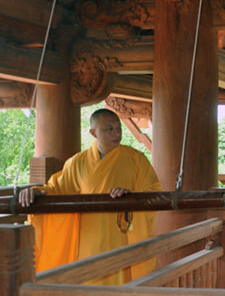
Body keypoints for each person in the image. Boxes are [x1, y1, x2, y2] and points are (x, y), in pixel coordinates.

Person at [19, 108, 162, 284]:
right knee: (88, 284)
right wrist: (38, 191)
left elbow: (153, 191)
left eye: (118, 128)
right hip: (88, 237)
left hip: (119, 236)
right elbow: (57, 188)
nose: (116, 133)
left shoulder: (136, 159)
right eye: (109, 129)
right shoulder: (78, 162)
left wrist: (130, 197)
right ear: (93, 133)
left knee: (119, 287)